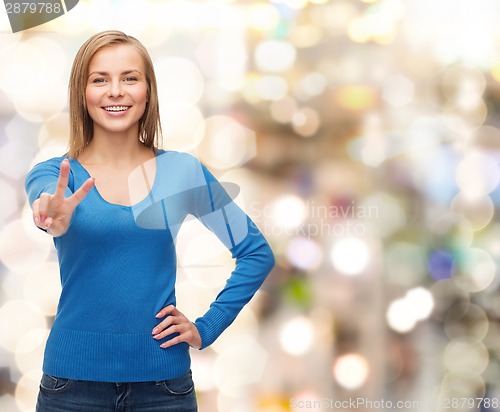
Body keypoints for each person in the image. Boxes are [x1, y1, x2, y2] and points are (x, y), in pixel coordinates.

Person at [25, 30, 275, 412]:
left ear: (148, 90)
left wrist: (207, 327)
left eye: (129, 78)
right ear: (82, 93)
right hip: (70, 389)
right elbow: (46, 206)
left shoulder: (182, 171)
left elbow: (256, 253)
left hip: (163, 390)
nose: (115, 91)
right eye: (99, 79)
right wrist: (49, 216)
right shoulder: (55, 174)